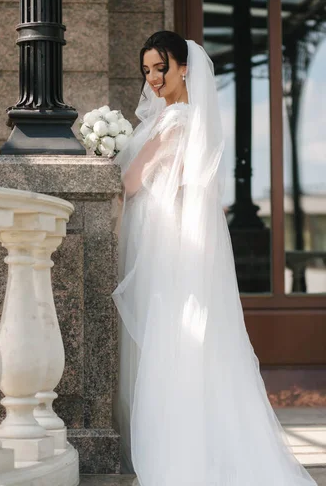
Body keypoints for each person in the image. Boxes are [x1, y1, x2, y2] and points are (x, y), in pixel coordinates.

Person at [112, 31, 316, 486]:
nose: (154, 78)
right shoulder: (182, 119)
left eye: (161, 67)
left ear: (185, 68)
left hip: (164, 241)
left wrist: (110, 155)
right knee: (177, 335)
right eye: (147, 70)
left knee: (165, 334)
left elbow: (131, 182)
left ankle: (172, 444)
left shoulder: (176, 121)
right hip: (168, 235)